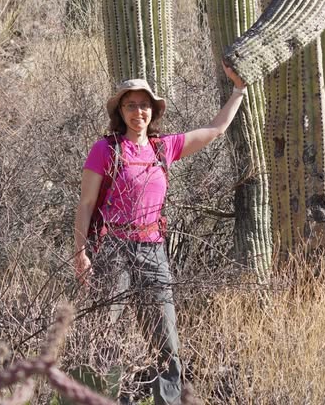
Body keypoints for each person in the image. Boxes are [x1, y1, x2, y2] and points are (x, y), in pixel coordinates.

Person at [74, 63, 248, 405]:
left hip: (152, 249)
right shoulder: (105, 150)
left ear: (153, 110)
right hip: (113, 248)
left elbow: (215, 128)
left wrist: (238, 91)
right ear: (120, 112)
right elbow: (86, 203)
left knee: (166, 338)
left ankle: (167, 400)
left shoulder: (163, 148)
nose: (138, 111)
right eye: (130, 105)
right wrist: (81, 253)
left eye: (144, 105)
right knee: (107, 332)